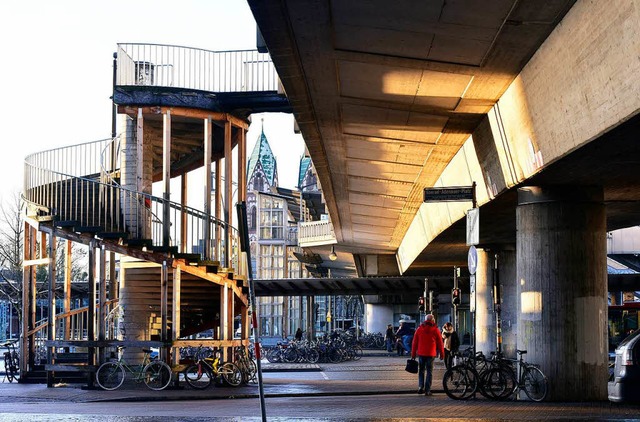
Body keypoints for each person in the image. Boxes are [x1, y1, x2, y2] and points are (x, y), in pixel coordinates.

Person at [411, 314, 444, 396]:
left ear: (425, 320)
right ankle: (427, 390)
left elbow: (414, 342)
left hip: (421, 353)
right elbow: (440, 343)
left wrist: (413, 354)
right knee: (429, 372)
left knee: (421, 370)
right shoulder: (436, 330)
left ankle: (420, 387)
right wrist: (442, 354)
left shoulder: (419, 329)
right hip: (431, 354)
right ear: (433, 320)